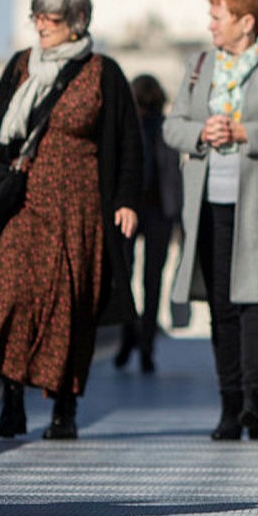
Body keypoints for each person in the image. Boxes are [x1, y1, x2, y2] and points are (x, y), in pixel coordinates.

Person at [0, 0, 143, 440]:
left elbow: (128, 143)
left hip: (78, 209)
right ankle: (11, 404)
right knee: (10, 298)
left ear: (78, 21)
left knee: (69, 305)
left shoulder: (103, 73)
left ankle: (64, 408)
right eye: (37, 16)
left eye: (52, 18)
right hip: (21, 204)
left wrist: (126, 200)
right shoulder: (20, 67)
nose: (41, 25)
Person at [165, 0, 258, 441]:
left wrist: (245, 133)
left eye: (218, 17)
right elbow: (172, 126)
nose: (210, 25)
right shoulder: (198, 66)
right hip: (210, 202)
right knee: (222, 307)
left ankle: (254, 400)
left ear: (246, 22)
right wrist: (200, 133)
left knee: (256, 303)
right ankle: (229, 406)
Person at [112, 73, 181, 374]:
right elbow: (175, 176)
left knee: (132, 279)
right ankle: (142, 341)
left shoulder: (128, 128)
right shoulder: (164, 129)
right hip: (155, 211)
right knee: (149, 282)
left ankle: (135, 337)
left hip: (140, 210)